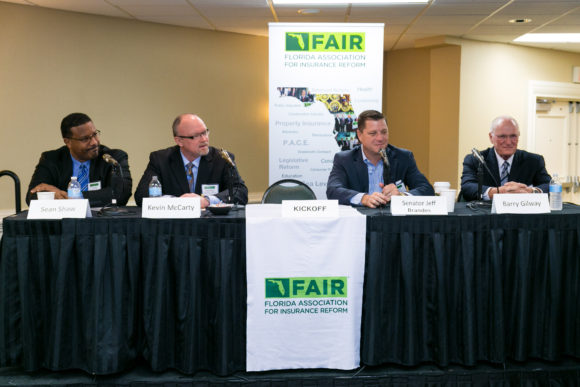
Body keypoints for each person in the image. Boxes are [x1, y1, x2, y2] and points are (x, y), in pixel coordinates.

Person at [134, 114, 248, 207]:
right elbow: (141, 196)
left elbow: (240, 192)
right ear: (179, 141)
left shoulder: (222, 159)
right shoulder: (160, 159)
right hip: (173, 228)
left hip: (210, 227)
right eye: (196, 136)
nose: (204, 139)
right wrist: (177, 202)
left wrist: (207, 201)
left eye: (205, 132)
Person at [326, 109, 434, 208]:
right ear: (359, 135)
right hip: (359, 222)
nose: (380, 138)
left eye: (384, 132)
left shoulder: (403, 157)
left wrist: (402, 196)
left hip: (393, 223)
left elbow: (426, 189)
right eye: (373, 133)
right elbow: (333, 190)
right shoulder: (345, 159)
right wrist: (363, 198)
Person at [26, 112, 132, 207]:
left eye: (95, 134)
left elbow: (121, 193)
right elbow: (32, 197)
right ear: (68, 142)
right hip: (63, 225)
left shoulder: (113, 158)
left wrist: (68, 196)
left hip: (101, 223)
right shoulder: (51, 159)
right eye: (85, 139)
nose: (94, 142)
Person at [460, 116, 551, 201]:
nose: (508, 142)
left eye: (513, 136)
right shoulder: (475, 160)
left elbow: (549, 186)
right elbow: (467, 187)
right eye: (502, 136)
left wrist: (531, 191)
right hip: (486, 214)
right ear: (491, 137)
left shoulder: (533, 161)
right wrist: (498, 192)